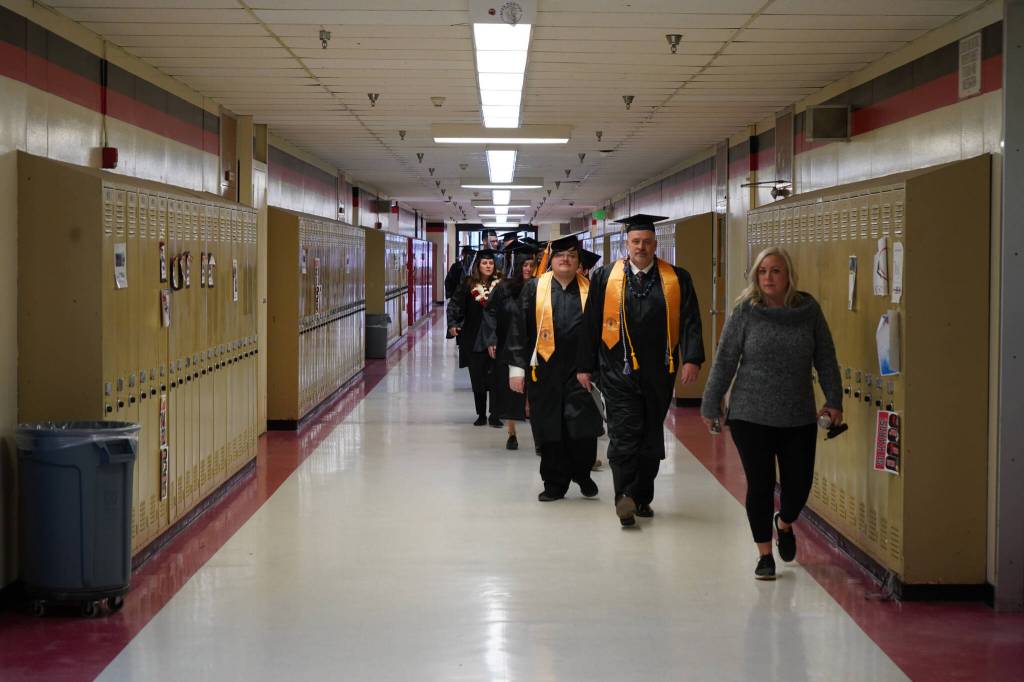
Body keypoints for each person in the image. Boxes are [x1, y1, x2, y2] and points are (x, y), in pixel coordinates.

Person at [700, 246, 843, 580]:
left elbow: (825, 357)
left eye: (775, 271)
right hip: (750, 414)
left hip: (798, 414)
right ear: (755, 276)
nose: (768, 277)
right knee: (760, 485)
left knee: (798, 485)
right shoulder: (745, 312)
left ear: (788, 275)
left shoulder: (808, 310)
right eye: (762, 271)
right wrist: (711, 403)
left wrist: (833, 399)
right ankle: (765, 554)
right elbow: (725, 360)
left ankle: (785, 521)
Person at [577, 214, 704, 528]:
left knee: (649, 436)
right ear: (626, 244)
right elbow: (591, 323)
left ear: (655, 244)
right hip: (616, 370)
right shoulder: (606, 277)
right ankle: (624, 497)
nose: (641, 247)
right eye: (636, 241)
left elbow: (690, 321)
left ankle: (641, 496)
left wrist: (691, 358)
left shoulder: (676, 278)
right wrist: (585, 366)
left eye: (647, 241)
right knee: (623, 434)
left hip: (660, 371)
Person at [507, 233, 603, 502]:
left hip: (581, 370)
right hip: (544, 369)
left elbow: (600, 331)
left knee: (582, 429)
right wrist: (517, 370)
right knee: (550, 429)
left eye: (572, 256)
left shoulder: (591, 290)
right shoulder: (534, 288)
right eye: (561, 255)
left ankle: (582, 473)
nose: (566, 260)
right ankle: (554, 483)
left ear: (578, 261)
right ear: (552, 260)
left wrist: (598, 369)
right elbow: (518, 329)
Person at [481, 244, 537, 450]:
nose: (528, 269)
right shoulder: (504, 288)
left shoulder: (541, 286)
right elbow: (490, 312)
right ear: (517, 266)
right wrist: (491, 339)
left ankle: (540, 435)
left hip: (535, 345)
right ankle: (511, 432)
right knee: (511, 390)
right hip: (508, 344)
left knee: (535, 390)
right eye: (524, 265)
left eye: (531, 264)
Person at [447, 249, 504, 426]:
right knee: (478, 378)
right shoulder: (468, 284)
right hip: (474, 337)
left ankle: (495, 414)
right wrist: (453, 324)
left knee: (496, 378)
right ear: (478, 266)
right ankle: (481, 414)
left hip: (496, 337)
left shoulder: (501, 285)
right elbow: (456, 304)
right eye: (484, 263)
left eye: (491, 263)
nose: (488, 266)